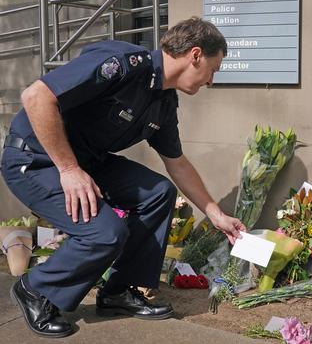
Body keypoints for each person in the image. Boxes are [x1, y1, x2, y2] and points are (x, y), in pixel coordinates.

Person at [1, 17, 246, 338]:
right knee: (105, 233)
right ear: (196, 55)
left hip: (86, 163)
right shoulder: (122, 64)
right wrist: (70, 170)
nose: (211, 81)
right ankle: (36, 289)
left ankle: (118, 291)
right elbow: (36, 97)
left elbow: (177, 163)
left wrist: (216, 214)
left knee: (158, 192)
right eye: (213, 70)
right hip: (36, 160)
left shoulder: (164, 101)